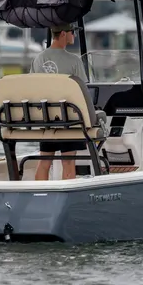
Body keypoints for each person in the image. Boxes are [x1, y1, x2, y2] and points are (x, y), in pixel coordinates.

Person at [29, 23, 88, 180]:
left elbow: (31, 89)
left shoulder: (38, 58)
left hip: (46, 119)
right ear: (63, 34)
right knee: (68, 163)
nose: (73, 36)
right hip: (68, 120)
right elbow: (83, 92)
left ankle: (40, 196)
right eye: (72, 32)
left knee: (44, 162)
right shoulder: (74, 61)